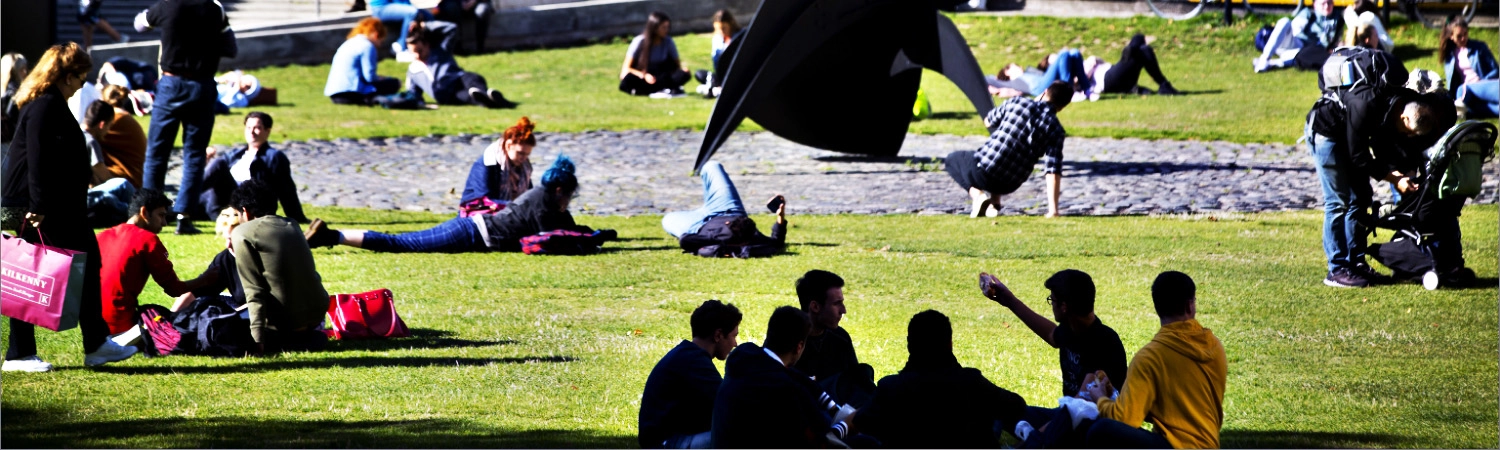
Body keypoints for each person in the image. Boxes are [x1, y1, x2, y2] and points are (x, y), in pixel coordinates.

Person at [1, 43, 138, 372]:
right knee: (28, 274)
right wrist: (37, 205)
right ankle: (19, 355)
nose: (83, 83)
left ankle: (96, 343)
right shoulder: (44, 106)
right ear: (66, 75)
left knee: (88, 263)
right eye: (81, 76)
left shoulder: (51, 103)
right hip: (37, 205)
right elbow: (36, 159)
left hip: (57, 204)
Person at [1306, 73, 1455, 287]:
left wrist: (1405, 172)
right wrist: (1394, 178)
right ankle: (1337, 269)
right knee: (1338, 202)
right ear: (1404, 118)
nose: (1408, 136)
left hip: (1349, 135)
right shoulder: (1367, 105)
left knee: (1360, 199)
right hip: (1327, 134)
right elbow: (1360, 156)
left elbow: (1381, 146)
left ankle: (1356, 264)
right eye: (1408, 132)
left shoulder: (1393, 105)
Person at [305, 155, 615, 253]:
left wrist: (594, 233)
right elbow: (555, 237)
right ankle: (331, 236)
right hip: (471, 232)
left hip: (473, 230)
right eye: (570, 195)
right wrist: (594, 239)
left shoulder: (544, 198)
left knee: (402, 242)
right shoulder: (544, 204)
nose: (570, 201)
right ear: (560, 189)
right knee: (402, 243)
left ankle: (332, 236)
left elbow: (568, 227)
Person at [1084, 271, 1227, 449]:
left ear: (1157, 307)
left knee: (1101, 430)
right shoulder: (1215, 347)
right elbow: (1178, 408)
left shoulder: (1150, 357)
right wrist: (1120, 396)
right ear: (1190, 306)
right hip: (1209, 445)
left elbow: (1124, 419)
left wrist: (1100, 399)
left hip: (1174, 446)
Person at [850, 310, 1029, 448]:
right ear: (950, 343)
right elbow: (1016, 406)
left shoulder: (891, 388)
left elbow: (863, 422)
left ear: (909, 343)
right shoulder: (971, 382)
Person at [134, 0, 237, 235]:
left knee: (157, 153)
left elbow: (139, 25)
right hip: (202, 84)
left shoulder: (167, 5)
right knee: (194, 155)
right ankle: (184, 216)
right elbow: (231, 48)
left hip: (171, 83)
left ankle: (149, 214)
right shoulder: (214, 8)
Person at [710, 306, 852, 448]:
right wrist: (847, 425)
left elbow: (787, 372)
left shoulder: (743, 359)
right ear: (799, 347)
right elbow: (823, 442)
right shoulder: (788, 391)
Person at [980, 269, 1128, 398]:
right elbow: (1051, 334)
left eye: (1052, 300)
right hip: (1070, 413)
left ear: (1064, 306)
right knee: (1010, 412)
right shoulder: (1072, 329)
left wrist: (1048, 428)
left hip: (1093, 422)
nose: (1051, 305)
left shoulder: (1104, 343)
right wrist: (1009, 300)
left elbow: (1080, 404)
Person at [228, 180, 329, 355]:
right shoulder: (292, 224)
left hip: (286, 323)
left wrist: (257, 340)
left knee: (221, 309)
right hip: (317, 315)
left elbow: (254, 291)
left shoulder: (242, 233)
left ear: (245, 210)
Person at [945, 81, 1071, 218]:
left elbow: (989, 121)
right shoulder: (1056, 129)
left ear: (1045, 92)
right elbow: (1053, 171)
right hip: (1010, 184)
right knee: (1009, 158)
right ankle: (994, 204)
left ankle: (978, 196)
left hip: (984, 171)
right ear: (1062, 107)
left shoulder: (1018, 103)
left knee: (953, 160)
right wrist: (1053, 210)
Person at [96, 189, 207, 341]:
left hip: (93, 326)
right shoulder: (147, 240)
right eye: (161, 215)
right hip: (122, 327)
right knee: (177, 324)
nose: (164, 223)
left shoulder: (102, 236)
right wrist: (207, 278)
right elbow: (174, 289)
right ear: (144, 212)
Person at [638, 300, 742, 449]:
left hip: (668, 439)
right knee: (743, 434)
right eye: (733, 336)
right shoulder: (694, 362)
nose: (735, 343)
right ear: (718, 335)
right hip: (667, 444)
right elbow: (729, 403)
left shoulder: (687, 355)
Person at [194, 112, 309, 223]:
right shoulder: (235, 154)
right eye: (248, 128)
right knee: (216, 167)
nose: (251, 132)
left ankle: (186, 201)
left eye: (257, 128)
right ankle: (183, 207)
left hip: (242, 204)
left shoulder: (274, 157)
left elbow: (286, 188)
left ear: (267, 131)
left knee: (219, 163)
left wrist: (296, 216)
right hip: (215, 200)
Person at [663, 161, 788, 258]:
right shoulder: (754, 235)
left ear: (728, 224)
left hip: (696, 225)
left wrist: (720, 241)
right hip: (729, 207)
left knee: (667, 219)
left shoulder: (714, 239)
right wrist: (780, 217)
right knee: (712, 166)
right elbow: (777, 242)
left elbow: (685, 240)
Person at [793, 270, 876, 408]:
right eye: (837, 304)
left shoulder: (840, 338)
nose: (843, 310)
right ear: (815, 306)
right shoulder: (788, 339)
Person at [404, 23, 517, 108]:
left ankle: (485, 94)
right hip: (447, 96)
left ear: (427, 45)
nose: (417, 55)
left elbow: (452, 28)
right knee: (469, 96)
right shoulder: (413, 70)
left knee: (472, 78)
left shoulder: (441, 50)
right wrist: (422, 105)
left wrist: (426, 25)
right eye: (413, 52)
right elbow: (413, 93)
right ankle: (488, 99)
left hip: (457, 79)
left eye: (420, 50)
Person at [459, 116, 535, 217]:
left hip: (507, 212)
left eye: (527, 154)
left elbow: (529, 195)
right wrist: (516, 207)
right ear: (508, 145)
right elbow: (484, 200)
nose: (524, 158)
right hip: (477, 213)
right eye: (520, 153)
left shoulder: (524, 168)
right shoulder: (487, 163)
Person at [1077, 34, 1181, 100]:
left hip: (1114, 74)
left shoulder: (1081, 62)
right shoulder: (1071, 73)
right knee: (1138, 39)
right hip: (1107, 80)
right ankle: (1131, 50)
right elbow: (1079, 81)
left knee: (1145, 49)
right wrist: (1089, 67)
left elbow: (1099, 61)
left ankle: (1164, 85)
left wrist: (1093, 60)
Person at [326, 17, 403, 106]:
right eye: (380, 42)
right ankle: (371, 98)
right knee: (395, 83)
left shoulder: (349, 43)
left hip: (334, 93)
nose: (379, 46)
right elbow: (369, 77)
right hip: (351, 92)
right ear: (376, 35)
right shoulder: (368, 46)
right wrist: (382, 79)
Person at [1254, 0, 1343, 72]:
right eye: (1323, 3)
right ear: (1315, 4)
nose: (1326, 6)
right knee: (1285, 21)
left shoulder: (1337, 19)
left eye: (1329, 3)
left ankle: (1272, 63)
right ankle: (1265, 58)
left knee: (1306, 55)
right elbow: (1295, 29)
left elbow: (1333, 43)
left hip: (1306, 52)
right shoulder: (1309, 13)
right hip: (1294, 42)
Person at [619, 11, 692, 98]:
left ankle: (656, 89)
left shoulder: (668, 41)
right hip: (643, 76)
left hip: (661, 76)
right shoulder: (639, 41)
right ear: (654, 28)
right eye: (663, 27)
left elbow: (676, 65)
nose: (666, 30)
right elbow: (626, 69)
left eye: (668, 27)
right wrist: (644, 75)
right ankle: (658, 89)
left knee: (684, 74)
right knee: (628, 79)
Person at [1440, 19, 1498, 118]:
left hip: (1485, 85)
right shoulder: (1450, 57)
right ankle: (1462, 108)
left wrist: (1481, 82)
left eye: (1465, 34)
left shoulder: (1479, 47)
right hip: (1467, 94)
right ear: (1451, 37)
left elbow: (1495, 70)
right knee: (1468, 103)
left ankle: (1459, 107)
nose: (1463, 38)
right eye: (1459, 36)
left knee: (1464, 88)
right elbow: (1452, 83)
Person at [94, 85, 147, 189]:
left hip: (128, 178)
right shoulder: (123, 116)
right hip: (135, 175)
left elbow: (90, 135)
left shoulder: (114, 120)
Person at [988, 50, 1088, 100]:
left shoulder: (1029, 71)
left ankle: (1087, 89)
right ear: (1007, 72)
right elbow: (990, 80)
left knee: (1074, 52)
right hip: (1038, 87)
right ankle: (1069, 92)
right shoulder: (1012, 82)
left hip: (1045, 80)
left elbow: (1045, 74)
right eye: (1016, 66)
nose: (1020, 67)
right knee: (1063, 53)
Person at [693, 9, 739, 97]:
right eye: (718, 29)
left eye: (724, 28)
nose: (721, 31)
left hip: (734, 74)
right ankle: (716, 87)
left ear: (731, 24)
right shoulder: (717, 39)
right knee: (700, 74)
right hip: (720, 74)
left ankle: (715, 88)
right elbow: (716, 62)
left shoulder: (739, 37)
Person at [369, 0, 435, 57]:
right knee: (412, 13)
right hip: (380, 8)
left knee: (428, 16)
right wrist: (416, 16)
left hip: (395, 5)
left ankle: (431, 46)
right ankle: (402, 48)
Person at [2, 53, 28, 150]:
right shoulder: (16, 93)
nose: (26, 72)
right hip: (10, 143)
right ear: (12, 71)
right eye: (21, 69)